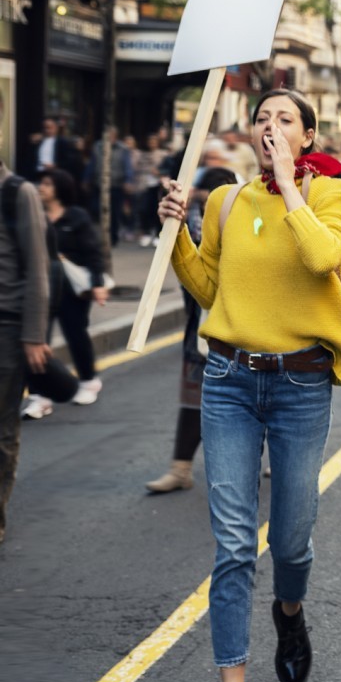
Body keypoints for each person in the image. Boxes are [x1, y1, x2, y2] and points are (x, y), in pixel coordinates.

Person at [158, 87, 341, 682]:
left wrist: (287, 185)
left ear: (308, 138)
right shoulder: (225, 200)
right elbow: (209, 291)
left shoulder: (329, 193)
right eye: (262, 118)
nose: (270, 126)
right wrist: (177, 236)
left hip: (301, 384)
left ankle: (289, 611)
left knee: (292, 539)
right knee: (235, 543)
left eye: (285, 119)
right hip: (229, 382)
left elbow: (324, 255)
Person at [146, 166, 241, 494]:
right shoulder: (197, 220)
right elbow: (195, 276)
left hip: (240, 335)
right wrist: (173, 221)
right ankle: (180, 468)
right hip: (200, 330)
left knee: (252, 409)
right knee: (191, 401)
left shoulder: (248, 219)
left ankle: (254, 469)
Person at [0, 159, 51, 544]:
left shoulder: (18, 192)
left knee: (2, 428)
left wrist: (34, 333)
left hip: (8, 325)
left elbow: (37, 267)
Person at [31, 171, 108, 414]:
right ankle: (39, 395)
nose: (41, 188)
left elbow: (93, 252)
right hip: (40, 288)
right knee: (36, 340)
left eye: (47, 184)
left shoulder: (76, 216)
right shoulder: (33, 213)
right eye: (41, 183)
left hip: (70, 289)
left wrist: (98, 284)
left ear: (60, 189)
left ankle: (88, 381)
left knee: (76, 334)